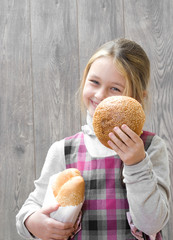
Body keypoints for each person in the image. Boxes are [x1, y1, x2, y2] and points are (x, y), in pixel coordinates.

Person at [16, 38, 170, 240]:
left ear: (138, 98)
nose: (100, 95)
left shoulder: (150, 148)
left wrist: (137, 164)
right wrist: (32, 222)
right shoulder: (64, 150)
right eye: (94, 82)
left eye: (115, 88)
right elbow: (30, 207)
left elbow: (152, 223)